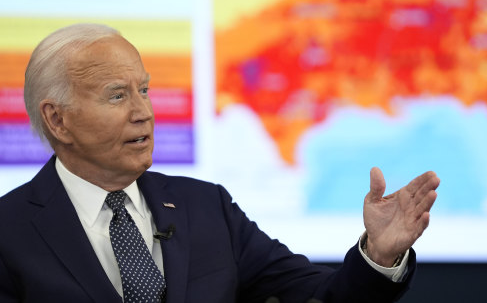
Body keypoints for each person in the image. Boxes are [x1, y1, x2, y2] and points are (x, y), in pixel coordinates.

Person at [0, 23, 440, 303]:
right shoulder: (9, 231)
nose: (144, 112)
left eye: (145, 91)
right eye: (118, 95)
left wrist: (380, 254)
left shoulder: (206, 207)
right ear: (57, 119)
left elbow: (319, 296)